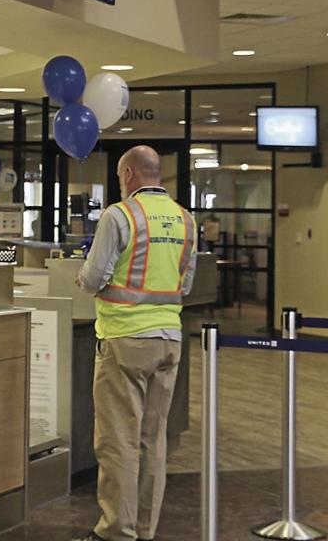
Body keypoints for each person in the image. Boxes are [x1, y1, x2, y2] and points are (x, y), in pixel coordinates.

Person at [73, 145, 197, 541]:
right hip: (169, 340)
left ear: (128, 175)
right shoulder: (185, 219)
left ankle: (116, 532)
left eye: (118, 177)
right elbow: (186, 284)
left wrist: (84, 275)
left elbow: (94, 279)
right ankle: (144, 529)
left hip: (125, 340)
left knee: (118, 441)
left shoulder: (120, 214)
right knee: (153, 440)